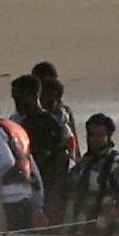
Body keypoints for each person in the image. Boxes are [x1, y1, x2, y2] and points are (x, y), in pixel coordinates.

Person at [0, 87, 42, 234]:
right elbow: (32, 167)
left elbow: (6, 162)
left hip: (8, 200)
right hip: (25, 197)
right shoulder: (16, 128)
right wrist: (38, 205)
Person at [69, 115, 119, 236]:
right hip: (83, 234)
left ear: (109, 136)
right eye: (91, 135)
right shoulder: (84, 163)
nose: (94, 139)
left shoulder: (117, 163)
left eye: (100, 135)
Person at [17, 72, 74, 208]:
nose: (16, 102)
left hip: (50, 189)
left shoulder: (50, 123)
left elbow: (62, 159)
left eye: (18, 97)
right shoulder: (22, 121)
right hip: (32, 189)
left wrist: (54, 196)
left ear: (30, 96)